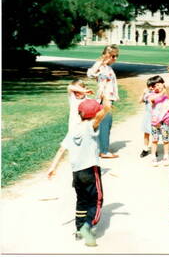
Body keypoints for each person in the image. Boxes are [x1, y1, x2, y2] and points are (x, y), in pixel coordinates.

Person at [47, 97, 112, 247]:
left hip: (76, 173)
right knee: (97, 200)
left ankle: (78, 229)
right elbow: (105, 110)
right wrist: (106, 98)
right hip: (90, 170)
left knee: (82, 200)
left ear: (79, 114)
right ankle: (87, 225)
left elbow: (62, 149)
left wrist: (52, 167)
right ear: (94, 114)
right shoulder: (91, 127)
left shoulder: (74, 129)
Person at [87, 44, 120, 158]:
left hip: (109, 98)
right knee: (105, 124)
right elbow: (90, 74)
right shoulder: (101, 66)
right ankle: (104, 151)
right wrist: (101, 62)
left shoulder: (108, 68)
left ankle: (101, 148)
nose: (115, 59)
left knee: (106, 124)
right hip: (104, 99)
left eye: (116, 56)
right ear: (106, 55)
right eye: (113, 56)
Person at [146, 75, 169, 167]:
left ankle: (166, 156)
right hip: (155, 122)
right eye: (154, 86)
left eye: (159, 84)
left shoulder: (168, 95)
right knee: (154, 140)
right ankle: (153, 157)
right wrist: (163, 92)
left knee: (166, 140)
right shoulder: (151, 94)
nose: (157, 87)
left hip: (165, 120)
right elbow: (152, 100)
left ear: (163, 84)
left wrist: (167, 90)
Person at [138, 81, 154, 158]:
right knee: (146, 133)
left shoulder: (157, 94)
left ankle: (154, 149)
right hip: (147, 115)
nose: (151, 88)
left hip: (155, 116)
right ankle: (145, 148)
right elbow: (140, 101)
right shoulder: (147, 94)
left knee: (155, 134)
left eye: (152, 86)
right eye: (149, 86)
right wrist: (144, 93)